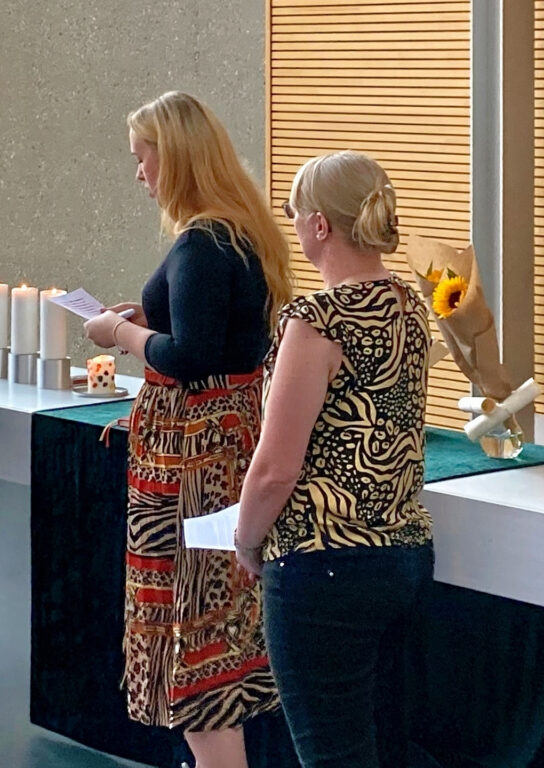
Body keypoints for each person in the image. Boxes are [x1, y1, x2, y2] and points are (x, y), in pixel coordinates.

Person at [84, 91, 293, 768]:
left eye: (143, 158)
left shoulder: (203, 242)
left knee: (193, 620)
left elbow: (193, 358)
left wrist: (121, 334)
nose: (139, 174)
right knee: (218, 617)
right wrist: (147, 329)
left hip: (194, 461)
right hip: (224, 441)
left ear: (171, 158)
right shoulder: (236, 232)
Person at [234, 150, 434, 768]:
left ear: (319, 225)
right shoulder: (409, 306)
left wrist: (245, 539)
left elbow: (275, 469)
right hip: (403, 558)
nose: (293, 227)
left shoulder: (317, 320)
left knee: (332, 754)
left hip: (324, 565)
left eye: (295, 215)